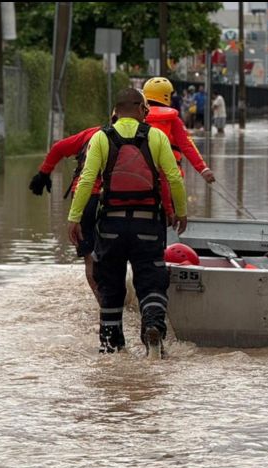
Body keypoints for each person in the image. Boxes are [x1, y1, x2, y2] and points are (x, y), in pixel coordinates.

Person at [68, 88, 188, 356]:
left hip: (111, 225)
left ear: (116, 110)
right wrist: (180, 212)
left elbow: (87, 180)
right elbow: (174, 178)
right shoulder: (156, 136)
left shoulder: (101, 138)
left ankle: (112, 347)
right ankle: (152, 328)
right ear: (141, 109)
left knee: (110, 284)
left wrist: (74, 218)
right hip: (148, 225)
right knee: (151, 280)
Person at [28, 126, 104, 301]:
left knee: (89, 257)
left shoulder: (92, 133)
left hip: (84, 197)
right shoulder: (144, 135)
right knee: (118, 253)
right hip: (116, 199)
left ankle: (105, 309)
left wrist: (44, 173)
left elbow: (58, 148)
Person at [142, 77, 216, 184]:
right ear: (166, 96)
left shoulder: (138, 117)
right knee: (178, 200)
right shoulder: (173, 120)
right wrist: (203, 169)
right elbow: (187, 145)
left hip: (141, 176)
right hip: (170, 176)